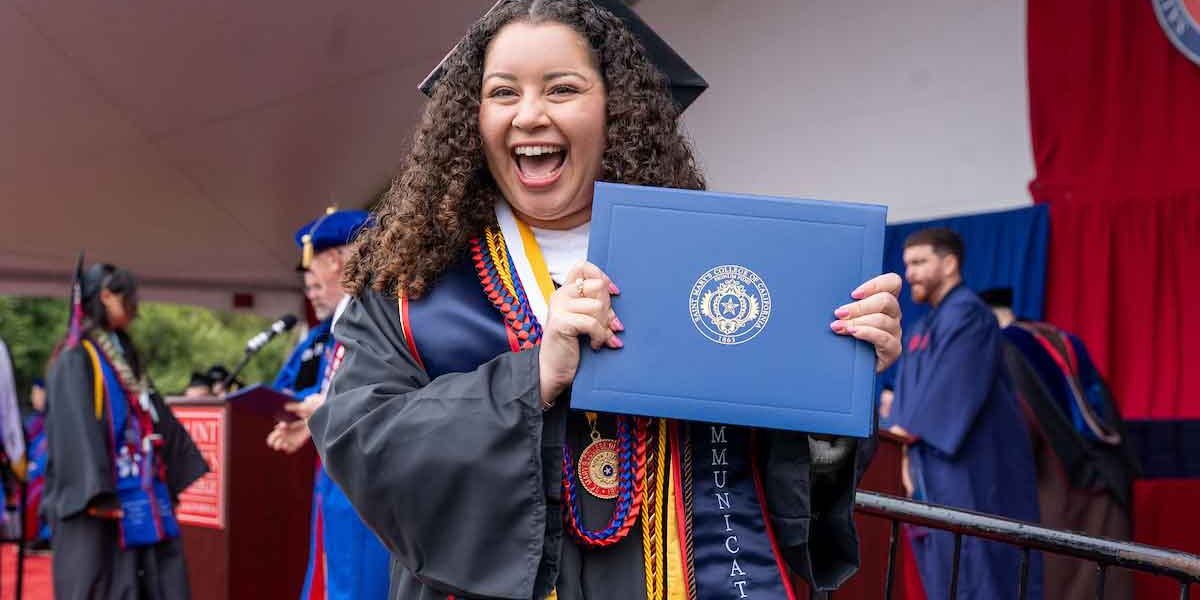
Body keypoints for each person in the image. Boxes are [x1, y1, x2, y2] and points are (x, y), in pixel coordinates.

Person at [308, 1, 904, 598]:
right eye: (503, 93)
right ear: (472, 116)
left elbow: (780, 468)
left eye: (562, 89)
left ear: (616, 106)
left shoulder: (715, 264)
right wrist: (532, 376)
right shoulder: (412, 282)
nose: (530, 115)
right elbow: (362, 441)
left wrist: (835, 389)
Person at [890, 228, 1043, 599]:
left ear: (950, 263)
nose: (909, 273)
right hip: (930, 468)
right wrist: (899, 444)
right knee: (946, 573)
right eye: (907, 264)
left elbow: (949, 395)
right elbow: (906, 402)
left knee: (979, 573)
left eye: (919, 262)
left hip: (969, 472)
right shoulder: (922, 326)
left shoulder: (972, 317)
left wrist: (905, 438)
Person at [42, 262, 209, 598]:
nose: (137, 306)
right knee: (101, 583)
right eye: (129, 297)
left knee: (152, 582)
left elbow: (151, 413)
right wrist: (96, 490)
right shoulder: (76, 357)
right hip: (96, 505)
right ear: (105, 296)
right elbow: (74, 431)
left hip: (135, 494)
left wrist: (169, 470)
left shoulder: (122, 353)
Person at [981, 287, 1139, 600]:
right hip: (1104, 473)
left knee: (1059, 572)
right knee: (1105, 574)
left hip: (1055, 479)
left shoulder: (1006, 347)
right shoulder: (1060, 338)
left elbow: (1017, 425)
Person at [266, 208, 390, 600]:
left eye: (312, 270)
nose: (310, 285)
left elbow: (387, 400)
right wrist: (309, 423)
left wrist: (328, 412)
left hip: (366, 489)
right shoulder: (344, 324)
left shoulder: (375, 317)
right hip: (339, 484)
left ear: (335, 260)